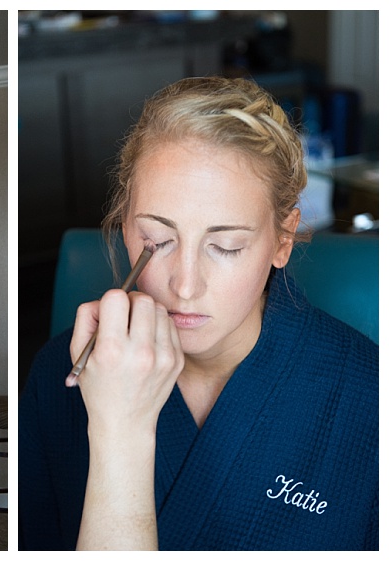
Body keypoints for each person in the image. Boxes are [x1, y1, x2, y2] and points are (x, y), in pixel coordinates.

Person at [19, 77, 378, 550]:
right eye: (157, 241)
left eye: (226, 246)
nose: (185, 286)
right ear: (125, 225)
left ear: (283, 239)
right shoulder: (55, 376)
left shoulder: (370, 396)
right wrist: (118, 431)